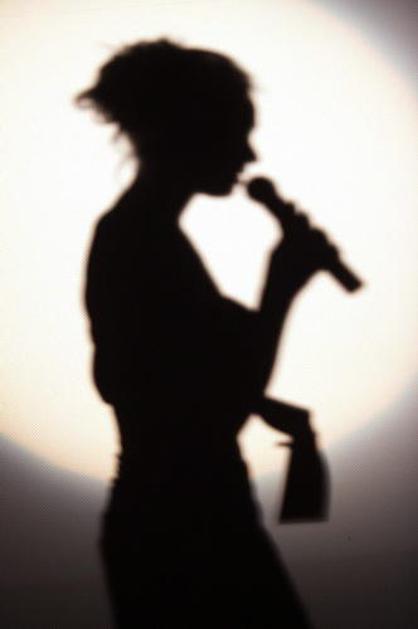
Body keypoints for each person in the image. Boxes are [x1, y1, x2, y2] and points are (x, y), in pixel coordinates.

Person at [78, 39, 335, 628]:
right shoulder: (139, 243)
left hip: (182, 520)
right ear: (189, 131)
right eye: (236, 133)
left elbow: (176, 377)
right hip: (184, 533)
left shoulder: (144, 236)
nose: (249, 154)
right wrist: (280, 288)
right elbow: (208, 415)